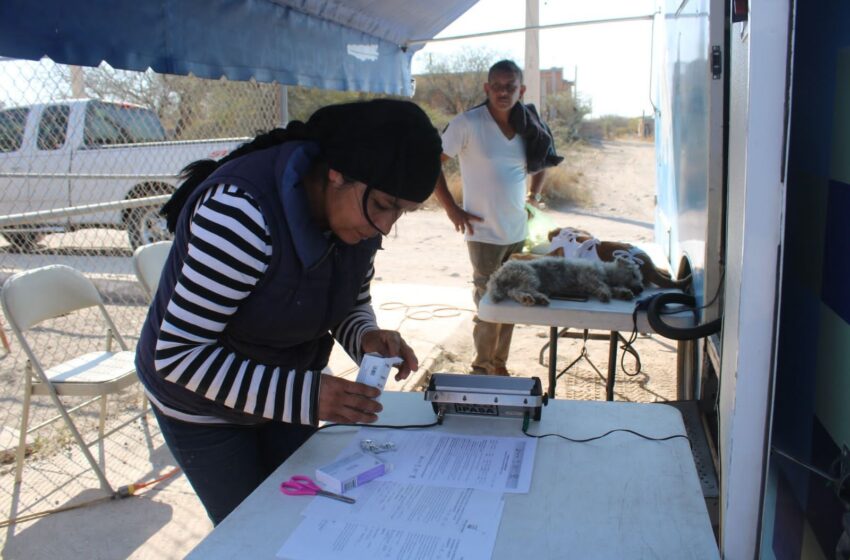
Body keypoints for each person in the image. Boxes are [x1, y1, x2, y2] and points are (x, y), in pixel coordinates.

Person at [135, 99, 443, 525]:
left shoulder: (360, 212)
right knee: (253, 532)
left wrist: (366, 336)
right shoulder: (241, 214)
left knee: (301, 518)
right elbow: (179, 354)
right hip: (203, 404)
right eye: (386, 205)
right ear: (336, 172)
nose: (386, 226)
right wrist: (308, 396)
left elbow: (348, 300)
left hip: (286, 385)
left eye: (401, 212)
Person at [433, 59, 561, 377]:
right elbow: (431, 163)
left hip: (517, 230)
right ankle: (482, 367)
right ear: (487, 88)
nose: (504, 92)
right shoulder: (468, 123)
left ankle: (499, 364)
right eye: (498, 86)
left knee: (511, 302)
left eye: (511, 87)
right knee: (489, 301)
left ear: (522, 90)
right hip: (483, 232)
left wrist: (534, 196)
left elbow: (542, 159)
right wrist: (452, 208)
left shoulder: (527, 123)